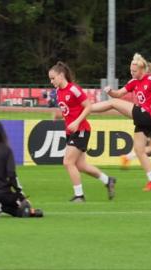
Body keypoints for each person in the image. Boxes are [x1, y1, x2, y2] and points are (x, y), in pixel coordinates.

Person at [91, 53, 151, 191]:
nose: (131, 72)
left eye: (134, 71)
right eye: (131, 70)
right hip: (143, 120)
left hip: (147, 114)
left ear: (142, 70)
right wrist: (110, 91)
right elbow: (118, 94)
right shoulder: (133, 82)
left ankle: (86, 109)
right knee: (140, 151)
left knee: (113, 103)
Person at [49, 62, 116, 202]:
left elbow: (88, 107)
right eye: (50, 79)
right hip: (71, 131)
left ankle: (79, 196)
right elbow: (69, 111)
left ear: (61, 76)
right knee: (81, 166)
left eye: (53, 78)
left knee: (67, 162)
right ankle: (108, 180)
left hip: (81, 130)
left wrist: (77, 122)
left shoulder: (74, 89)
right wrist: (59, 115)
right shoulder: (58, 92)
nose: (51, 81)